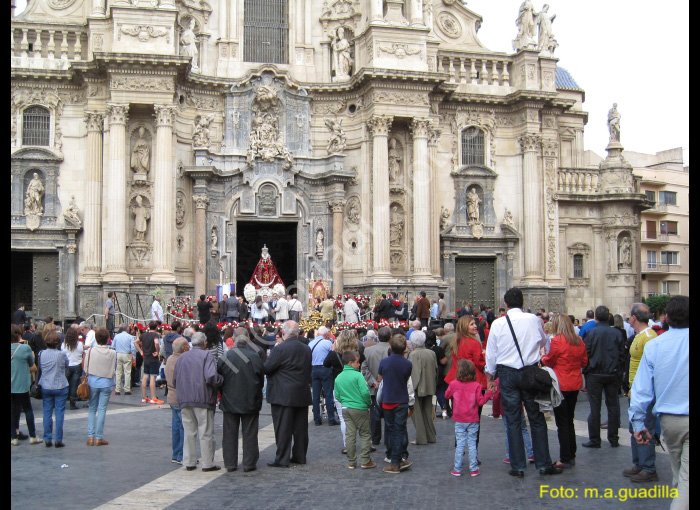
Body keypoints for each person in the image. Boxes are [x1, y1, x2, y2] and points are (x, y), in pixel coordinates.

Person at [484, 287, 560, 477]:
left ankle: (517, 466)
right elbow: (544, 343)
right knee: (536, 418)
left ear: (505, 304)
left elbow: (491, 354)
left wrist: (490, 378)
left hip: (507, 374)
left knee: (513, 420)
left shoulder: (498, 323)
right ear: (523, 303)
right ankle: (543, 464)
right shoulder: (533, 319)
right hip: (530, 373)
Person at [629, 295, 688, 509]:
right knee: (684, 480)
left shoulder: (655, 345)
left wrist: (638, 424)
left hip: (670, 422)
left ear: (667, 317)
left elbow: (641, 390)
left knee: (680, 475)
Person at [541, 314, 588, 469]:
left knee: (562, 422)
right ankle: (571, 453)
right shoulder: (578, 340)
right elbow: (584, 361)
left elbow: (549, 360)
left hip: (561, 384)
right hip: (575, 383)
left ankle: (565, 457)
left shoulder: (557, 341)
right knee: (569, 420)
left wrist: (542, 356)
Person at [264, 321, 312, 468]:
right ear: (297, 332)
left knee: (283, 428)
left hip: (283, 394)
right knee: (300, 428)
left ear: (284, 332)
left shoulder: (280, 349)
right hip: (301, 392)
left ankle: (282, 458)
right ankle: (299, 456)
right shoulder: (306, 349)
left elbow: (268, 368)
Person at [172, 331, 223, 472]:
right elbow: (211, 376)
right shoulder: (207, 355)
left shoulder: (182, 357)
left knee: (189, 432)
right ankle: (207, 463)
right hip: (203, 398)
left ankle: (189, 461)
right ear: (204, 342)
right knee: (205, 432)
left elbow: (175, 379)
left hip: (185, 399)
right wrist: (221, 381)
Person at [623, 303, 659, 482]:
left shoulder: (649, 337)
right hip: (635, 391)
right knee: (634, 427)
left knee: (645, 427)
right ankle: (638, 463)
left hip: (644, 392)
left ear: (634, 318)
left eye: (629, 316)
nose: (628, 318)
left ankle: (648, 467)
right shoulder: (640, 336)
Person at [218, 333, 265, 473]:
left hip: (229, 399)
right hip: (250, 400)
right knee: (250, 432)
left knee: (229, 433)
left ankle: (230, 463)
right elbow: (260, 378)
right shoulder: (254, 357)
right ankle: (249, 463)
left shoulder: (226, 356)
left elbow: (219, 376)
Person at [581, 305, 626, 449]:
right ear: (608, 317)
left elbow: (585, 353)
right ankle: (613, 438)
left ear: (595, 318)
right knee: (612, 406)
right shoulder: (617, 334)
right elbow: (622, 355)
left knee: (595, 407)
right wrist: (618, 370)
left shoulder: (591, 333)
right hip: (612, 374)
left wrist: (587, 369)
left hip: (595, 373)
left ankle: (595, 439)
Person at [446, 359, 493, 477]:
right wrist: (488, 394)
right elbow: (480, 402)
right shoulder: (477, 386)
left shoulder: (454, 384)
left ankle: (457, 468)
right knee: (472, 443)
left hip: (459, 419)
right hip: (472, 419)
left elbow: (447, 395)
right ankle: (473, 468)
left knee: (460, 444)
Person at [324, 330, 365, 454]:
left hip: (340, 387)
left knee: (343, 417)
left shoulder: (334, 354)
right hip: (355, 386)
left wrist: (332, 350)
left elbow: (325, 364)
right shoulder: (358, 354)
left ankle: (347, 445)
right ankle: (365, 442)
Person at [378, 334, 414, 474]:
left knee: (391, 429)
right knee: (399, 430)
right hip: (401, 399)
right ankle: (398, 458)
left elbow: (380, 378)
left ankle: (394, 460)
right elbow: (406, 378)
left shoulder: (384, 362)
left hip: (388, 399)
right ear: (404, 349)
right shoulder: (407, 364)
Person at [334, 350, 375, 469]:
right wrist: (368, 403)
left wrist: (344, 401)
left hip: (346, 408)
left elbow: (337, 395)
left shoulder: (339, 377)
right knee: (365, 434)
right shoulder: (358, 375)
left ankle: (351, 461)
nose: (359, 365)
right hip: (359, 408)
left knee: (350, 434)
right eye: (357, 362)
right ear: (351, 362)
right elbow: (365, 392)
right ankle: (365, 460)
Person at [84, 327, 116, 446]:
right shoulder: (112, 352)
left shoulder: (90, 351)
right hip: (106, 382)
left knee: (92, 408)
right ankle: (99, 437)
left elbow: (85, 367)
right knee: (102, 409)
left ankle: (90, 436)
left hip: (93, 381)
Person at [361, 326, 391, 449]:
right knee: (389, 414)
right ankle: (388, 439)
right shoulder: (392, 349)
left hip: (374, 386)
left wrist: (373, 381)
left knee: (374, 414)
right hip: (389, 386)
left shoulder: (368, 350)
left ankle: (375, 438)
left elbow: (364, 368)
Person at [11, 325, 42, 446]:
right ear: (19, 335)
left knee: (13, 410)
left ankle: (14, 437)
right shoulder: (25, 348)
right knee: (28, 409)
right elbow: (31, 364)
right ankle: (33, 436)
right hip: (22, 383)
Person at [39, 330, 69, 448]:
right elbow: (66, 364)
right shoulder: (61, 354)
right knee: (59, 413)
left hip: (46, 384)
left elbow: (41, 367)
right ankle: (58, 439)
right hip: (60, 384)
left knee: (47, 412)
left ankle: (47, 438)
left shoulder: (41, 353)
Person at [407, 331, 438, 445]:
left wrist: (410, 388)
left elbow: (413, 372)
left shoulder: (413, 354)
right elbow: (435, 370)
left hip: (418, 386)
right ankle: (431, 436)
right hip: (429, 385)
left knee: (417, 414)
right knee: (427, 412)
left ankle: (421, 438)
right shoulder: (431, 353)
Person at [165, 337, 189, 465]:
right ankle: (181, 455)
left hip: (171, 396)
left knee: (176, 426)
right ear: (184, 348)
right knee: (183, 426)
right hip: (179, 396)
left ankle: (175, 454)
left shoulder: (170, 359)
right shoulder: (181, 361)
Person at [309, 326, 336, 426]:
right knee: (328, 394)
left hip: (314, 369)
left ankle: (316, 419)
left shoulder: (311, 343)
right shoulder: (327, 343)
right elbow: (333, 355)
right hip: (325, 369)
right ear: (325, 334)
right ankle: (331, 418)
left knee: (315, 396)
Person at [135, 321, 164, 405]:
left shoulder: (144, 335)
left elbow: (135, 342)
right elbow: (156, 343)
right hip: (153, 358)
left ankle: (144, 397)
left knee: (145, 377)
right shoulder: (155, 335)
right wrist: (157, 352)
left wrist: (140, 351)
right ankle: (153, 397)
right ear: (156, 327)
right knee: (152, 378)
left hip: (146, 358)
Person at [425, 330, 448, 419]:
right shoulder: (438, 349)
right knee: (439, 391)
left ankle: (428, 410)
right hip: (437, 372)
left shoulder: (424, 349)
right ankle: (444, 410)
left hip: (427, 372)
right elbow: (443, 361)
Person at [61, 326, 85, 409]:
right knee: (74, 384)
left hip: (67, 365)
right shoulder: (80, 344)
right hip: (77, 365)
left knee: (64, 384)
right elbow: (82, 353)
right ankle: (72, 403)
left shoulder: (63, 345)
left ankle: (62, 401)